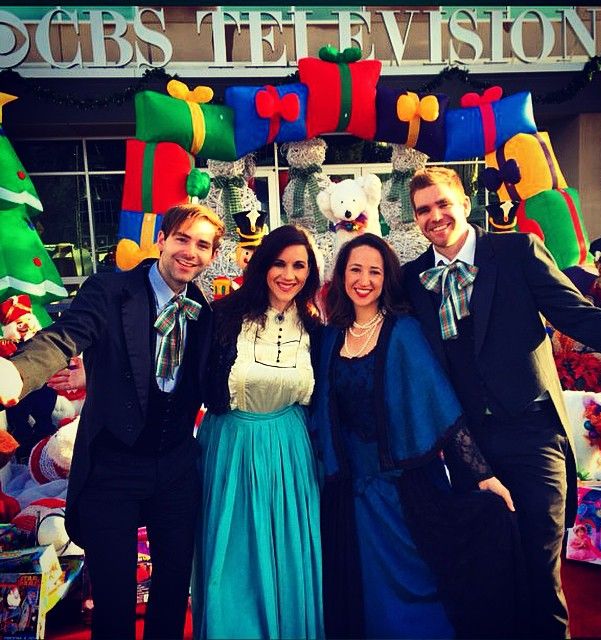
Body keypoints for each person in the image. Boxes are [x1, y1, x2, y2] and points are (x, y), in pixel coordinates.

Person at [402, 166, 601, 638]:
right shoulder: (412, 278)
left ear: (464, 203)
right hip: (467, 447)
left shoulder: (516, 251)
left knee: (540, 574)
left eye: (443, 203)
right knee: (485, 577)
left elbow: (581, 318)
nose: (435, 216)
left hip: (532, 435)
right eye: (423, 210)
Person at [0, 203, 224, 640]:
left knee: (173, 591)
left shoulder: (203, 309)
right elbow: (64, 336)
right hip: (113, 468)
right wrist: (18, 372)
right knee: (114, 601)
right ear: (162, 240)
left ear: (212, 255)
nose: (190, 252)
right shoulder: (111, 290)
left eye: (202, 245)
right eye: (182, 239)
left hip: (176, 468)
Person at [312, 233, 525, 640]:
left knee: (420, 588)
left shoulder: (404, 331)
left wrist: (483, 474)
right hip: (350, 493)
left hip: (403, 490)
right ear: (341, 276)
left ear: (386, 279)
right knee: (368, 602)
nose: (364, 280)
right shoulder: (329, 337)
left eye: (374, 272)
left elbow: (440, 404)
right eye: (355, 270)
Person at [192, 224, 324, 640]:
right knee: (233, 559)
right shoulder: (223, 315)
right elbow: (184, 374)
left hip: (290, 450)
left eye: (299, 266)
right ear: (263, 264)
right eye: (279, 263)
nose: (289, 275)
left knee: (287, 553)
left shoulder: (315, 326)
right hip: (231, 445)